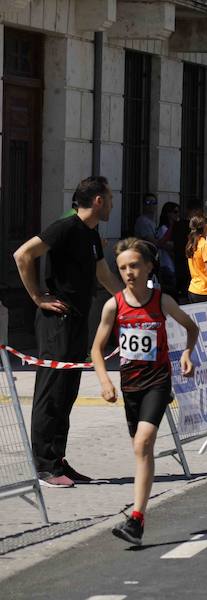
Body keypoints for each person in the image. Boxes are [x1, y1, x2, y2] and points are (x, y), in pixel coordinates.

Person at [13, 176, 123, 488]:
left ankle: (58, 459)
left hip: (77, 319)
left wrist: (129, 305)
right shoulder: (65, 226)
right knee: (51, 392)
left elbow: (103, 274)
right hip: (55, 322)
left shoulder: (90, 232)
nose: (113, 204)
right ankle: (45, 467)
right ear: (98, 201)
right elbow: (22, 255)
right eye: (111, 198)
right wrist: (38, 297)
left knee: (67, 393)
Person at [90, 238, 198, 546]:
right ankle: (138, 522)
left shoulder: (161, 301)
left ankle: (136, 517)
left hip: (158, 381)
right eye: (123, 267)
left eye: (134, 265)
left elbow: (192, 327)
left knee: (143, 443)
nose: (128, 272)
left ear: (149, 266)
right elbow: (96, 350)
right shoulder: (114, 305)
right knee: (142, 452)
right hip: (130, 385)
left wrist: (187, 355)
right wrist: (104, 381)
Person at [186, 216, 207, 303]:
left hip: (194, 289)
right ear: (204, 226)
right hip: (206, 291)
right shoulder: (205, 245)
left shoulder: (192, 243)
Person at [155, 201, 180, 295]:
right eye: (175, 212)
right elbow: (166, 245)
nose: (177, 214)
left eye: (178, 211)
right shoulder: (163, 229)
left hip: (172, 266)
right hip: (166, 265)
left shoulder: (174, 228)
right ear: (168, 213)